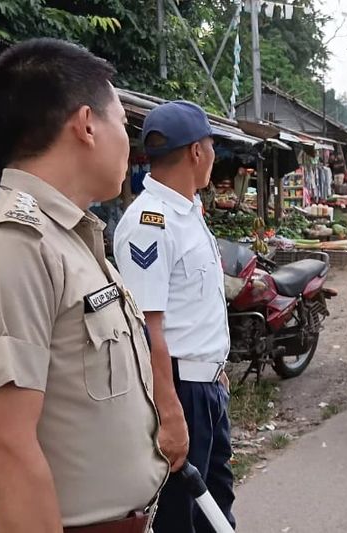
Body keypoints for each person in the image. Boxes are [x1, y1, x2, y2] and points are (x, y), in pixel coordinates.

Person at [0, 38, 167, 532]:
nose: (130, 139)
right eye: (123, 123)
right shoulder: (6, 248)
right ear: (85, 125)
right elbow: (5, 449)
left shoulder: (70, 239)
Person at [113, 100, 236, 533]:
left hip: (205, 385)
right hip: (180, 391)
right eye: (212, 146)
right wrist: (170, 412)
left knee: (216, 505)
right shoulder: (151, 222)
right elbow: (148, 328)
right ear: (198, 152)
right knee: (181, 516)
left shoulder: (186, 212)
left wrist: (215, 369)